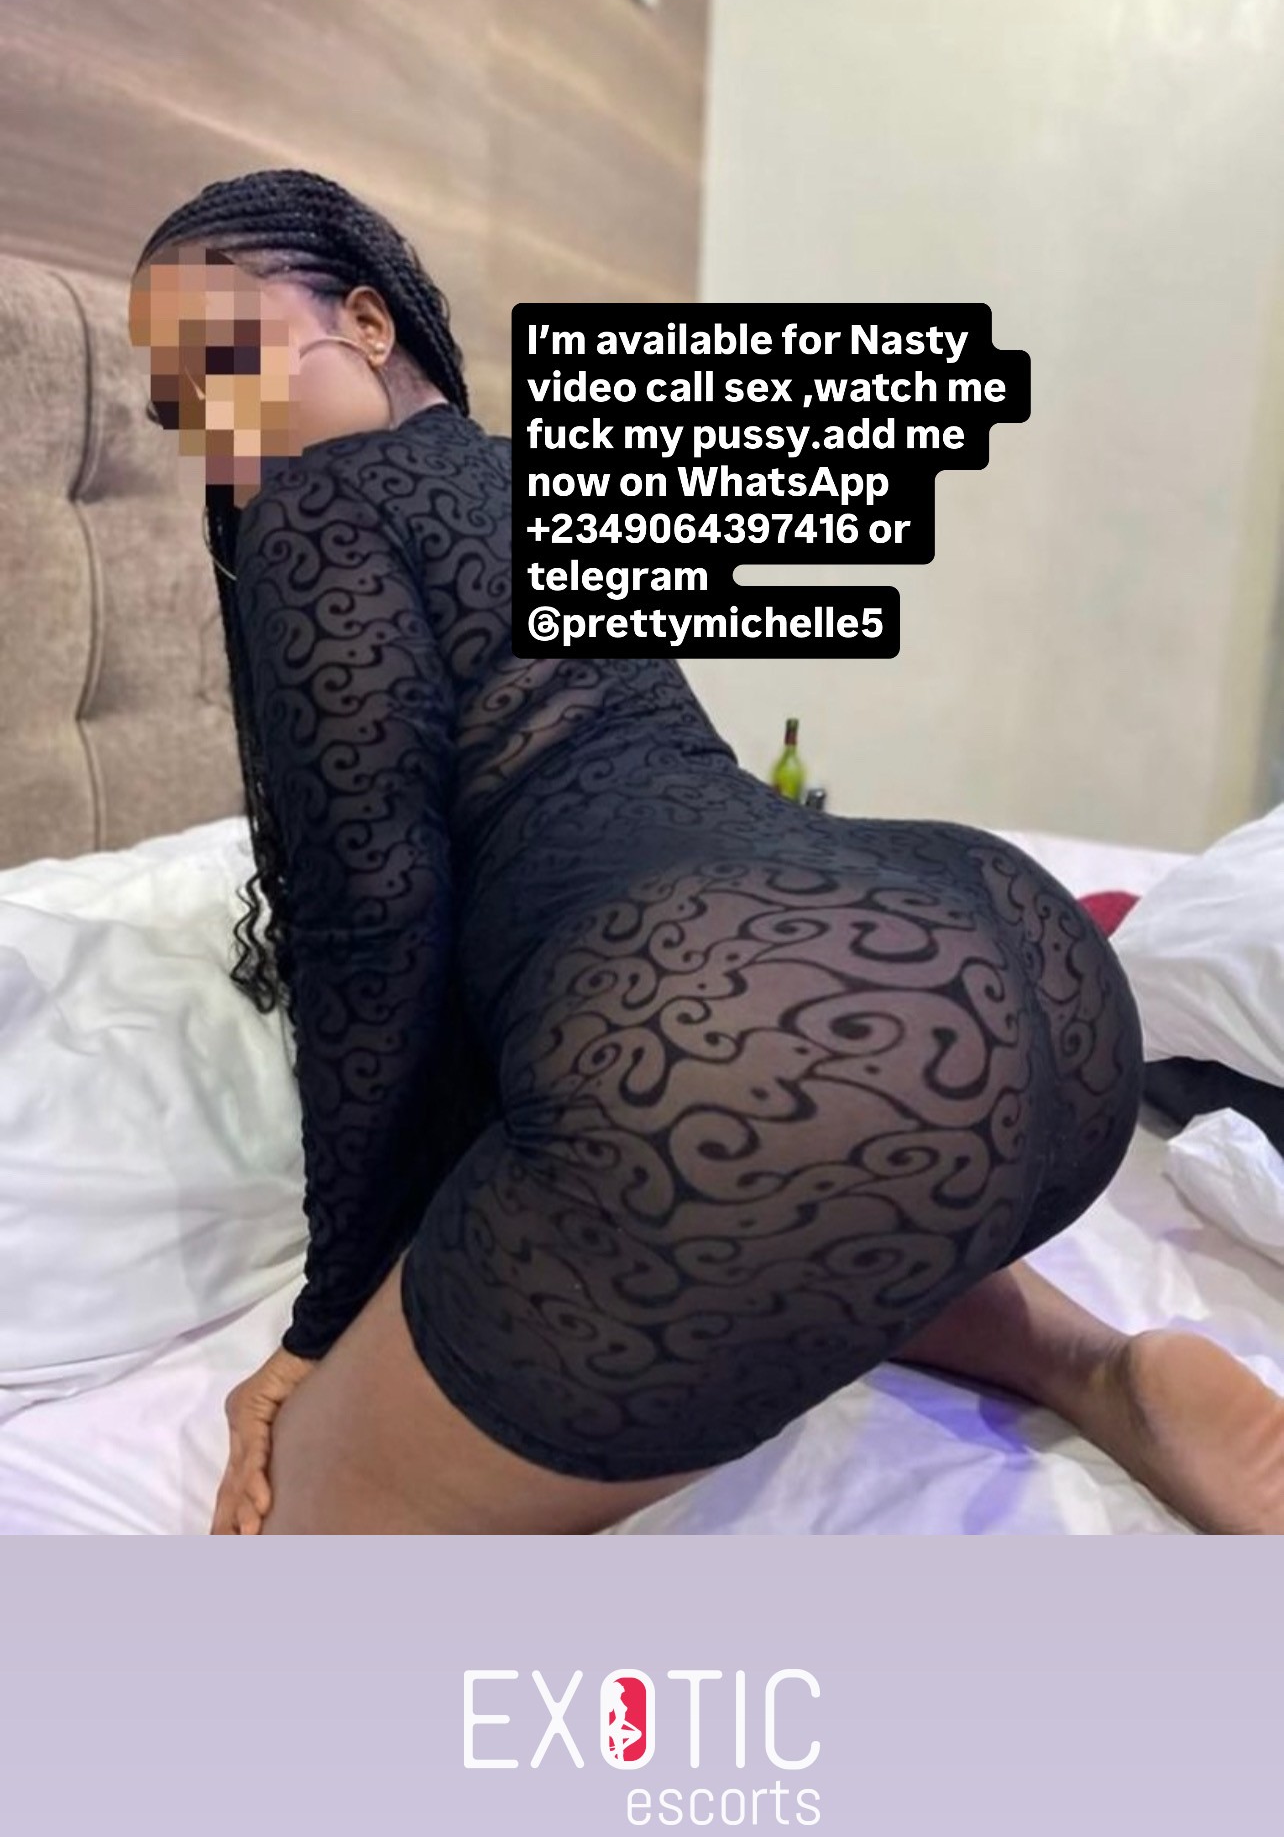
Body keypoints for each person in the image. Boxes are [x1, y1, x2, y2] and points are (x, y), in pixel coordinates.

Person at [127, 168, 1284, 1537]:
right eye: (180, 414)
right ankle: (1091, 1364)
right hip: (1028, 982)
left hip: (730, 1030)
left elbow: (369, 930)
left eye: (226, 366)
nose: (219, 439)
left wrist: (324, 1323)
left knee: (298, 1534)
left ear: (368, 323)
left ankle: (1070, 1358)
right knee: (826, 1156)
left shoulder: (313, 511)